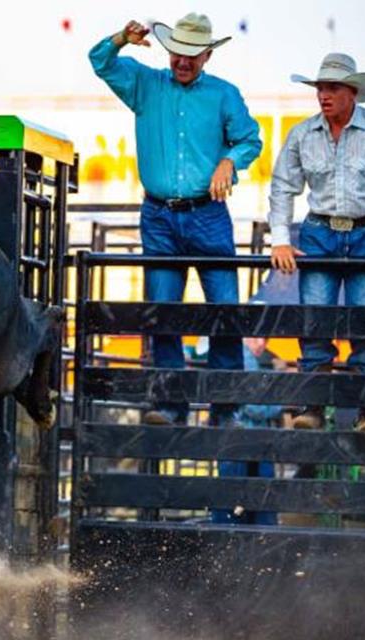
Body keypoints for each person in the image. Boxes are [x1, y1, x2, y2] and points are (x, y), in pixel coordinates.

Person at [89, 13, 263, 426]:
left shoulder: (224, 95)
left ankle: (224, 408)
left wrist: (228, 162)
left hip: (207, 213)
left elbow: (250, 139)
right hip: (160, 215)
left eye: (191, 54)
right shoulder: (145, 84)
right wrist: (121, 39)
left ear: (206, 55)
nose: (182, 61)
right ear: (169, 51)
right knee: (162, 309)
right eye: (177, 53)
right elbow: (100, 61)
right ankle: (170, 404)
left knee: (225, 310)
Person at [267, 53, 365, 432]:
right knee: (315, 320)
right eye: (320, 89)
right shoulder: (301, 133)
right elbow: (282, 187)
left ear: (353, 93)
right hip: (318, 231)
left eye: (332, 89)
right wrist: (280, 239)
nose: (323, 96)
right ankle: (312, 407)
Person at [213, 337, 284, 525]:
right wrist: (280, 400)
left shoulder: (238, 358)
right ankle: (261, 545)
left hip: (236, 437)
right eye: (256, 337)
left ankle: (224, 544)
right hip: (251, 438)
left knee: (231, 499)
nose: (261, 343)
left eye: (265, 339)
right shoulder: (247, 359)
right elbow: (255, 406)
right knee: (259, 501)